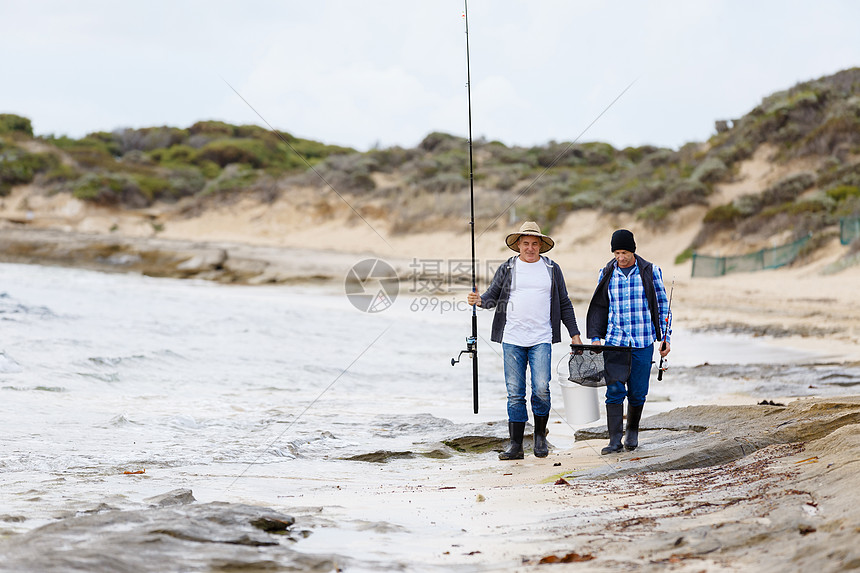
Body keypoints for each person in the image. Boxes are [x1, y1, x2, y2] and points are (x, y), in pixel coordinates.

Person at [467, 221, 582, 460]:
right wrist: (478, 300)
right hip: (512, 338)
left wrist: (575, 334)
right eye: (526, 243)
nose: (530, 248)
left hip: (541, 338)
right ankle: (516, 445)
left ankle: (540, 438)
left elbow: (564, 303)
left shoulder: (551, 268)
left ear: (541, 245)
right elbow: (491, 298)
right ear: (518, 245)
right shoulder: (508, 268)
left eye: (534, 244)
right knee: (514, 393)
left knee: (541, 388)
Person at [586, 229, 671, 455]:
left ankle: (632, 431)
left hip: (643, 341)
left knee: (638, 392)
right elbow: (600, 307)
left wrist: (665, 339)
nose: (620, 257)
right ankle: (614, 440)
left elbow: (663, 309)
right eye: (616, 252)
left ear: (633, 251)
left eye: (624, 252)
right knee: (613, 391)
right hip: (615, 342)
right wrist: (596, 338)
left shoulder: (651, 271)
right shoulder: (606, 272)